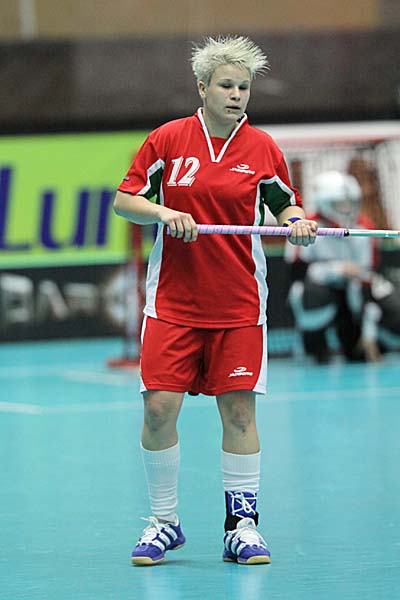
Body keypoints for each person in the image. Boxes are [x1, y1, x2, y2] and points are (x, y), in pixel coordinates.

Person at [113, 35, 317, 566]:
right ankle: (164, 522)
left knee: (241, 413)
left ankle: (241, 527)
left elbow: (286, 205)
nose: (236, 95)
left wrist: (297, 223)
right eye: (226, 85)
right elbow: (124, 201)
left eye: (243, 87)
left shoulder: (262, 148)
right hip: (173, 303)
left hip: (239, 304)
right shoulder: (167, 140)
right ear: (202, 88)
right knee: (159, 408)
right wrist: (164, 213)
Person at [285, 169, 386, 363]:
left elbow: (368, 278)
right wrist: (337, 269)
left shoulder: (365, 228)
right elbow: (297, 276)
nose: (346, 209)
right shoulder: (305, 227)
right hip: (320, 293)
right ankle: (312, 343)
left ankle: (364, 341)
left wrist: (369, 333)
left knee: (385, 300)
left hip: (353, 295)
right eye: (339, 204)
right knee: (312, 294)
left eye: (350, 203)